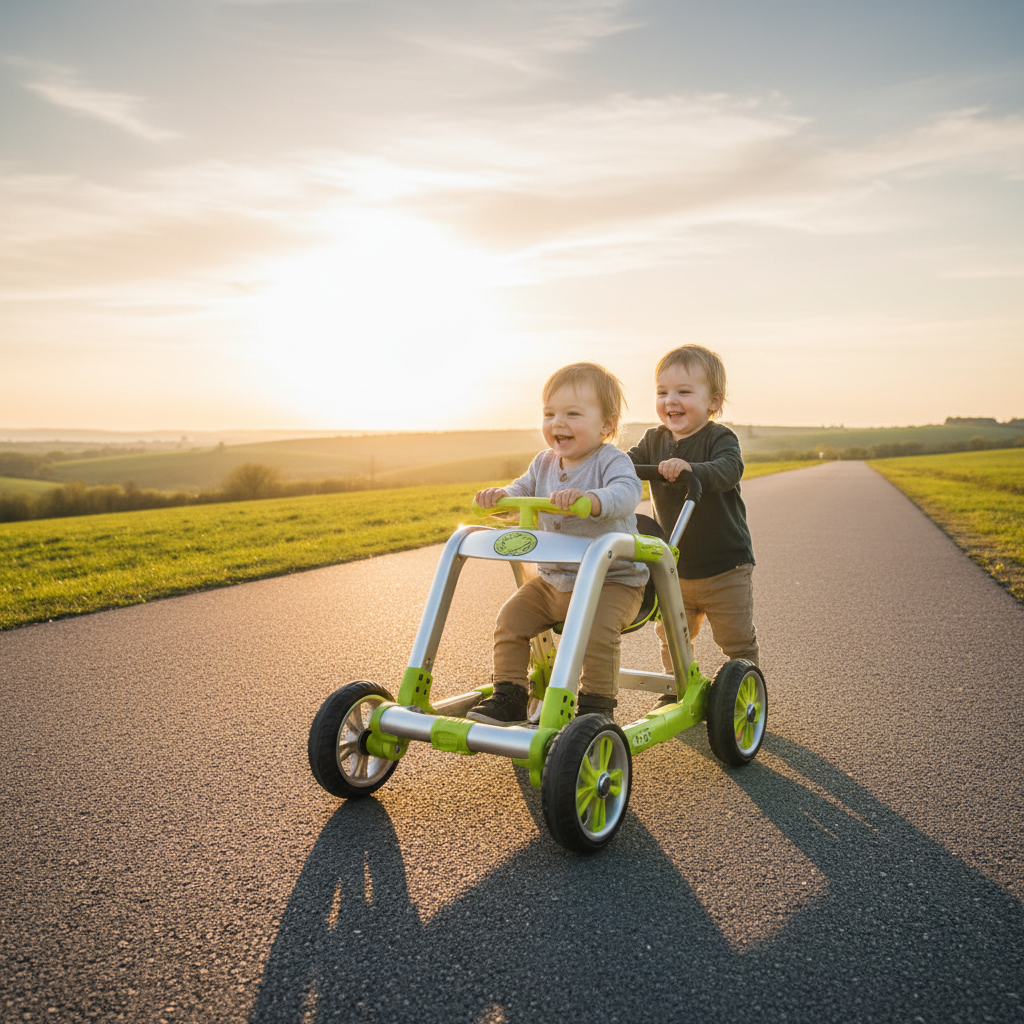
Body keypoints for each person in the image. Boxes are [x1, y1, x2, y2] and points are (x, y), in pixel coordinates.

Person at [467, 362, 649, 725]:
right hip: (555, 582)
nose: (557, 423)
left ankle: (595, 708)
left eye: (572, 413)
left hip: (612, 582)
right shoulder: (543, 463)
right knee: (510, 620)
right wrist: (502, 495)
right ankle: (510, 696)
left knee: (597, 631)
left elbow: (627, 493)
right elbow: (522, 489)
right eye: (549, 414)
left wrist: (592, 500)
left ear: (606, 425)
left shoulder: (611, 460)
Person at [627, 344, 759, 704]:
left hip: (725, 567)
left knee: (735, 638)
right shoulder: (653, 441)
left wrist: (692, 470)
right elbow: (625, 466)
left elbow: (729, 470)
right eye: (662, 392)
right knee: (672, 634)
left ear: (713, 402)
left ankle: (746, 692)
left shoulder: (720, 438)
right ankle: (678, 686)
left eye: (684, 392)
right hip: (675, 567)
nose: (671, 400)